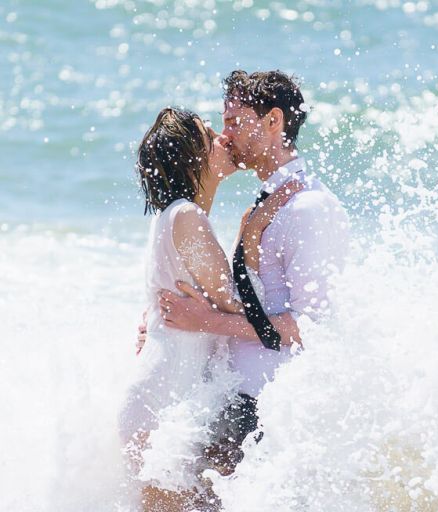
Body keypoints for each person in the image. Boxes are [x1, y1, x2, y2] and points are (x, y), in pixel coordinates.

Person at [141, 70, 350, 475]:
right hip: (230, 400)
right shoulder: (263, 206)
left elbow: (310, 326)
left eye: (235, 123)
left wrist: (207, 321)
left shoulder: (308, 208)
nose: (225, 136)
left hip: (267, 410)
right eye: (222, 124)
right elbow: (238, 290)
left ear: (274, 122)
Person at [121, 106, 300, 511]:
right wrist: (253, 232)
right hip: (163, 409)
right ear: (193, 158)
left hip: (161, 403)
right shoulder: (186, 216)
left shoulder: (178, 216)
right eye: (209, 135)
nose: (223, 137)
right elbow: (239, 308)